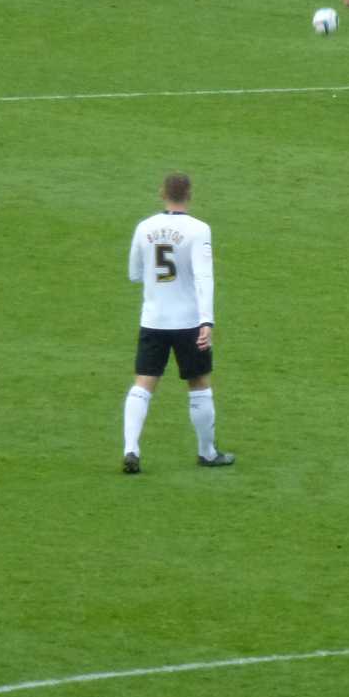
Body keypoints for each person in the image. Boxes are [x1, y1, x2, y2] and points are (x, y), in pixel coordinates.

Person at [122, 172, 231, 473]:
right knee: (198, 384)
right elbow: (204, 277)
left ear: (162, 192)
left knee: (143, 384)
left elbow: (133, 273)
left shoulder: (144, 228)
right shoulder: (199, 230)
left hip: (153, 320)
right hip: (188, 323)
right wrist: (206, 321)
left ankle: (131, 449)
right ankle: (207, 453)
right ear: (190, 195)